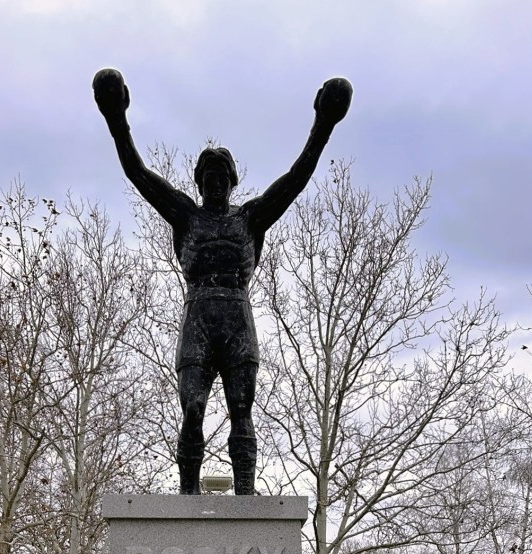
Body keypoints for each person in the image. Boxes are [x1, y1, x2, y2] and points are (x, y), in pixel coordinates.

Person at [93, 68, 352, 494]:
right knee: (192, 408)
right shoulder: (185, 215)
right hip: (198, 315)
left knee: (241, 407)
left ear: (232, 181)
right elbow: (137, 172)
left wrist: (323, 125)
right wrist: (115, 117)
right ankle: (189, 494)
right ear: (198, 184)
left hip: (236, 316)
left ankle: (246, 493)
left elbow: (296, 179)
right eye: (207, 178)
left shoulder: (251, 217)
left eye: (222, 177)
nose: (215, 184)